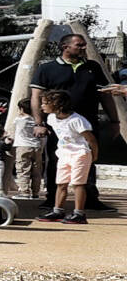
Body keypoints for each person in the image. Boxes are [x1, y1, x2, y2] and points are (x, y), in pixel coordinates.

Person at [31, 31, 110, 211]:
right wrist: (39, 123)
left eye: (83, 45)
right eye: (79, 45)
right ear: (65, 47)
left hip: (86, 123)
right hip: (58, 125)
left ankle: (90, 199)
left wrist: (114, 121)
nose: (83, 48)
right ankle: (53, 198)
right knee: (56, 160)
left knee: (87, 159)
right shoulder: (46, 68)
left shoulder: (93, 67)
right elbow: (36, 96)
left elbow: (105, 95)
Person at [37, 88, 97, 224]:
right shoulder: (51, 118)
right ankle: (58, 210)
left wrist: (94, 155)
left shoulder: (77, 120)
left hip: (80, 154)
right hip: (64, 153)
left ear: (57, 104)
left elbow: (91, 139)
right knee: (61, 183)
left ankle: (79, 213)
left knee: (78, 184)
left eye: (45, 103)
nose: (42, 106)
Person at [9, 105, 44, 200]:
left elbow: (11, 132)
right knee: (37, 171)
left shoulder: (19, 120)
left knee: (23, 169)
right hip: (37, 146)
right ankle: (36, 193)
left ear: (21, 108)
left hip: (23, 146)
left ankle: (24, 192)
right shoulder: (38, 121)